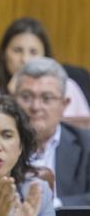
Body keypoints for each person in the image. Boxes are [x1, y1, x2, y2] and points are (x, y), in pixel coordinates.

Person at [0, 17, 90, 117]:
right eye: (17, 50)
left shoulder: (68, 88)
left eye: (33, 52)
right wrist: (12, 98)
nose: (25, 59)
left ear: (45, 57)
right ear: (4, 55)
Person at [14, 57, 90, 206]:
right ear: (13, 100)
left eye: (46, 98)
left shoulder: (86, 144)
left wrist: (53, 206)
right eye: (26, 97)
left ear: (64, 104)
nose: (35, 107)